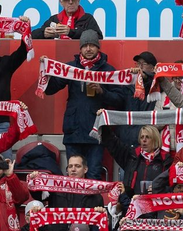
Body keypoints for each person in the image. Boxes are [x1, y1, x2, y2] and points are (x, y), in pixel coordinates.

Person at [41, 31, 126, 180]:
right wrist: (46, 71)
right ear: (80, 48)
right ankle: (74, 204)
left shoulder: (108, 70)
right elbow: (49, 90)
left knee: (93, 174)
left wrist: (102, 91)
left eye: (92, 45)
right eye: (85, 45)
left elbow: (120, 100)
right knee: (74, 177)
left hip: (96, 132)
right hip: (73, 131)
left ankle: (94, 205)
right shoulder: (71, 68)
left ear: (98, 48)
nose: (88, 49)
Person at [33, 0, 102, 40]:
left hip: (80, 55)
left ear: (78, 1)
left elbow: (98, 37)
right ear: (61, 3)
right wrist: (43, 33)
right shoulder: (55, 19)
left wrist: (71, 32)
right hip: (57, 55)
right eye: (67, 0)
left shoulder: (87, 18)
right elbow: (32, 36)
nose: (70, 2)